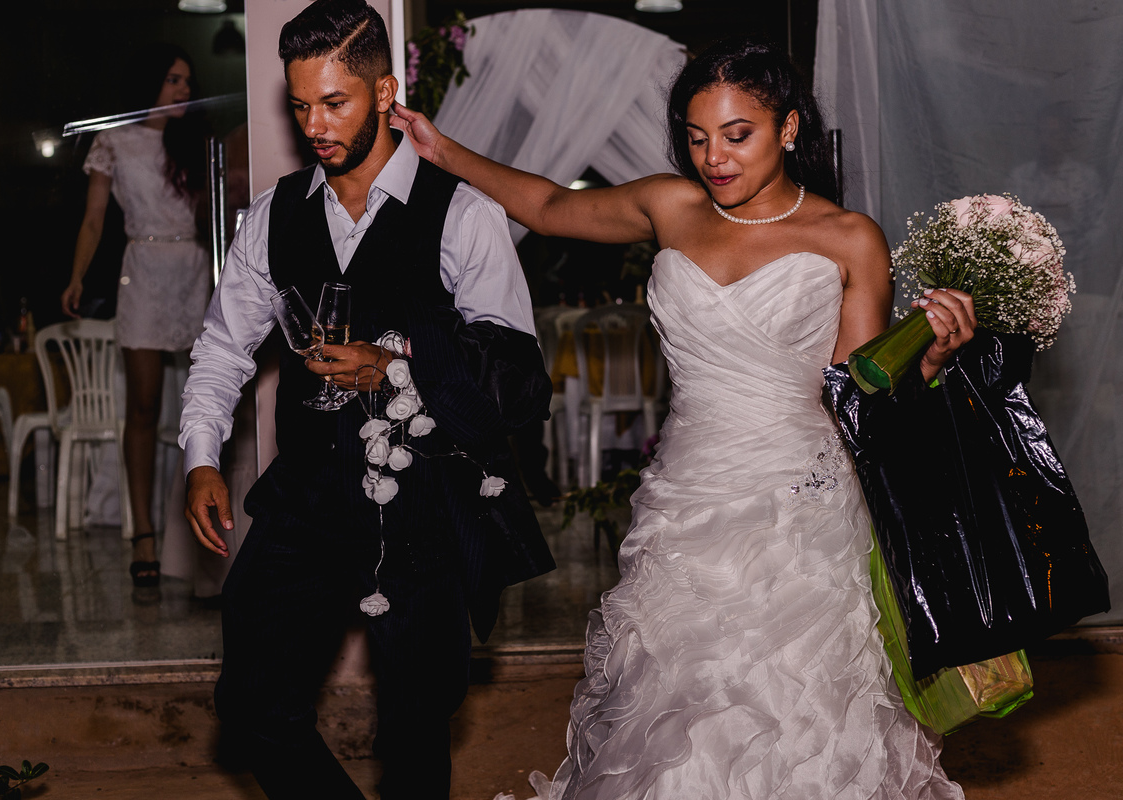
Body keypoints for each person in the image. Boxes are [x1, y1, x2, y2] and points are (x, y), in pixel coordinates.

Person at [394, 39, 975, 799]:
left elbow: (863, 396)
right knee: (678, 715)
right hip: (687, 502)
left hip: (799, 515)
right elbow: (547, 206)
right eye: (698, 138)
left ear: (789, 128)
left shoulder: (847, 237)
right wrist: (443, 149)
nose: (715, 158)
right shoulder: (670, 205)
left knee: (794, 715)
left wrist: (929, 360)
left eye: (738, 135)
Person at [177, 2, 555, 798]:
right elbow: (221, 347)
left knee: (416, 735)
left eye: (335, 102)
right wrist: (203, 458)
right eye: (301, 103)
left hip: (422, 511)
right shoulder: (273, 218)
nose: (315, 124)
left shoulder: (464, 214)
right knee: (250, 705)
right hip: (309, 497)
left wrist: (397, 365)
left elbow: (520, 376)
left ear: (385, 93)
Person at [61, 44, 212, 588]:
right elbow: (94, 220)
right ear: (150, 82)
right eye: (173, 80)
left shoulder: (194, 140)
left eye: (188, 82)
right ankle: (144, 531)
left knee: (207, 400)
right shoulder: (114, 141)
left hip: (194, 269)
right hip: (142, 271)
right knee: (144, 406)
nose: (184, 91)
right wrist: (77, 276)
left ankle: (201, 529)